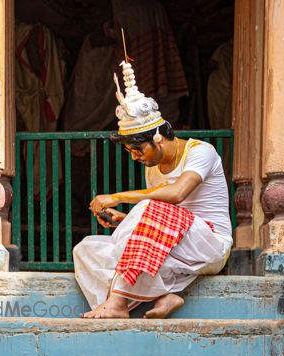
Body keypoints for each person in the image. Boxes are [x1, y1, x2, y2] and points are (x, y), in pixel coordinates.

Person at [73, 59, 232, 319]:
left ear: (158, 138)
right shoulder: (152, 167)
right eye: (131, 152)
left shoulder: (201, 152)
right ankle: (164, 295)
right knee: (86, 249)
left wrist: (116, 198)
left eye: (139, 149)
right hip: (175, 249)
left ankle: (117, 304)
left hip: (210, 244)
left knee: (148, 207)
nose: (136, 157)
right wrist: (124, 220)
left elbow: (176, 196)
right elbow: (160, 222)